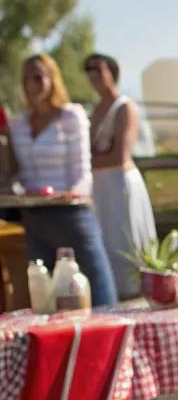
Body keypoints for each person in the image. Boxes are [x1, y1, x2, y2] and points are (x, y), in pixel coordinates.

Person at [4, 53, 118, 306]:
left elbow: (81, 170)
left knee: (95, 288)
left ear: (52, 79)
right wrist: (20, 192)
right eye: (26, 80)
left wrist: (69, 194)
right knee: (45, 295)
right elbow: (15, 172)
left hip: (72, 213)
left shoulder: (71, 117)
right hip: (34, 215)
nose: (32, 85)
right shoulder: (18, 124)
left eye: (38, 77)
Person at [85, 52, 157, 299]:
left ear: (111, 71)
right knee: (104, 241)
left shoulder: (125, 106)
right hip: (100, 185)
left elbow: (120, 155)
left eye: (99, 70)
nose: (94, 76)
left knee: (125, 241)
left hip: (119, 183)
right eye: (90, 71)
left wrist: (85, 162)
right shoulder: (95, 109)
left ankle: (135, 293)